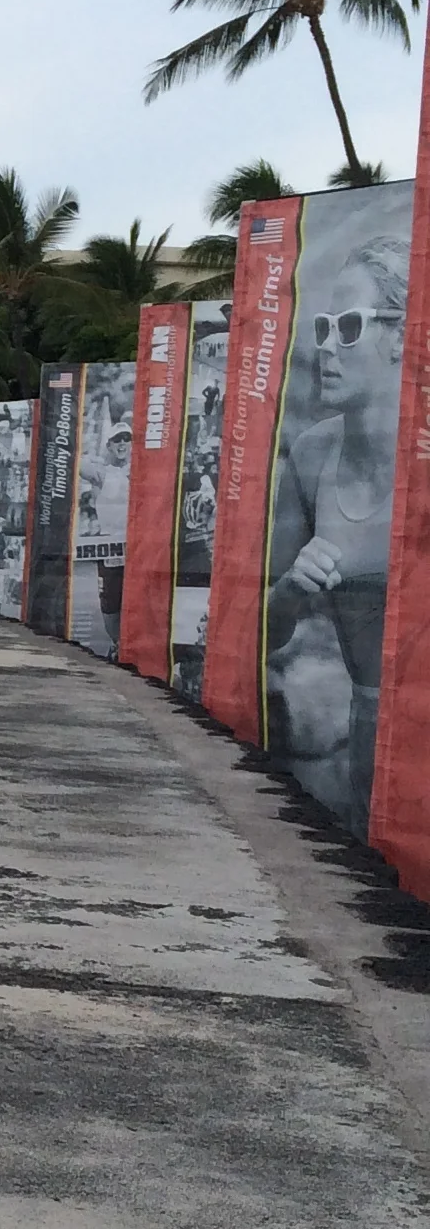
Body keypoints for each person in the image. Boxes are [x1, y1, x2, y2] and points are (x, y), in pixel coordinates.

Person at [269, 229, 409, 830]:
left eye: (347, 328)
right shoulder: (312, 454)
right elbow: (264, 633)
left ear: (402, 336)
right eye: (322, 327)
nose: (326, 346)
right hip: (366, 730)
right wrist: (294, 587)